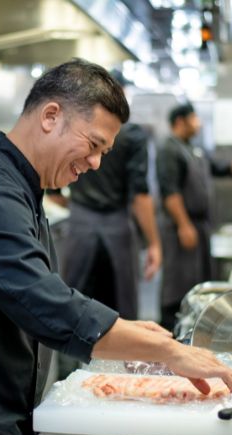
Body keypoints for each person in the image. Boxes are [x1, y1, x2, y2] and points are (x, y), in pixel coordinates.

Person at [0, 59, 232, 435]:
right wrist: (165, 351)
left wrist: (128, 332)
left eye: (104, 152)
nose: (94, 163)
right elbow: (48, 305)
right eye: (93, 145)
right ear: (51, 116)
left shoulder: (20, 188)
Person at [157, 103, 232, 331]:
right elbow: (169, 192)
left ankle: (193, 331)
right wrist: (184, 225)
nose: (199, 123)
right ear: (180, 121)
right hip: (180, 228)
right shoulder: (169, 150)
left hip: (199, 227)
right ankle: (169, 333)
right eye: (194, 118)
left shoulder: (194, 150)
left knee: (197, 283)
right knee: (178, 284)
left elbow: (224, 169)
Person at [47, 119, 161, 320]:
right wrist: (154, 243)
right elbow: (139, 196)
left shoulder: (76, 129)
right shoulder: (131, 135)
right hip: (118, 230)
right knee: (122, 310)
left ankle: (68, 353)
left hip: (80, 228)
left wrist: (78, 205)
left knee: (72, 308)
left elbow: (54, 192)